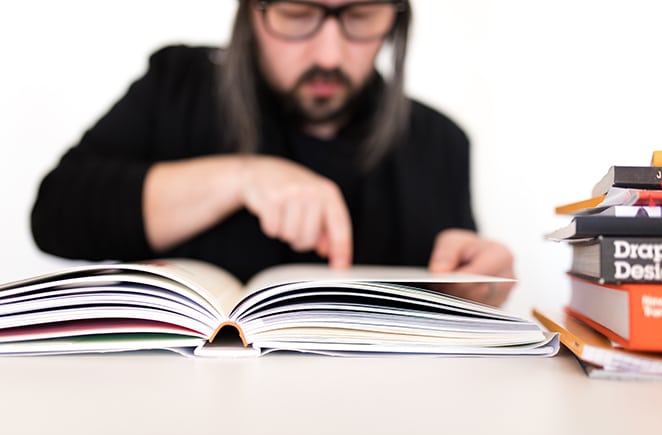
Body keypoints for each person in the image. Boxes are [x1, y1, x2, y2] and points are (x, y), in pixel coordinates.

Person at [31, 0, 515, 305]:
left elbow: (460, 292)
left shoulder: (439, 141)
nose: (328, 54)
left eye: (361, 16)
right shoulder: (177, 85)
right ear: (251, 12)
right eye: (297, 14)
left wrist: (479, 285)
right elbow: (56, 215)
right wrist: (241, 177)